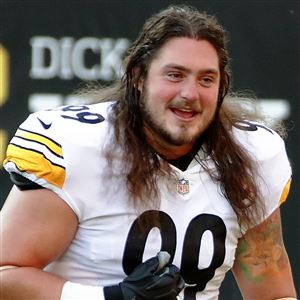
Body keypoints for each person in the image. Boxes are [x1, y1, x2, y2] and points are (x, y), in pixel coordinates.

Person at [0, 4, 297, 300]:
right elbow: (6, 273)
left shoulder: (250, 156)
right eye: (174, 75)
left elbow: (273, 293)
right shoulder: (78, 147)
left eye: (206, 79)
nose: (190, 94)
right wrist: (113, 297)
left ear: (222, 87)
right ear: (138, 77)